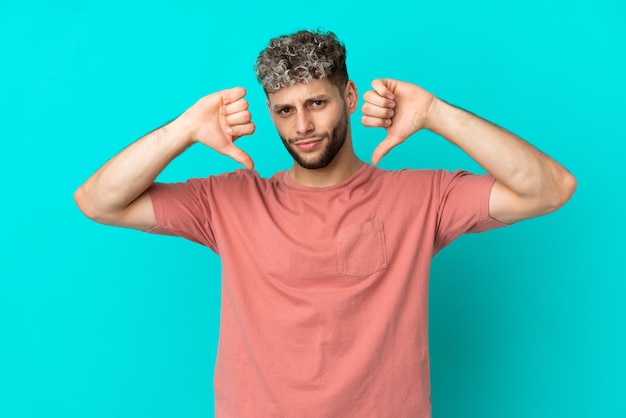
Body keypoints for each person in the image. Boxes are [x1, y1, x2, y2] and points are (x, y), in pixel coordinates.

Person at [75, 30, 576, 417]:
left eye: (317, 102)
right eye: (285, 111)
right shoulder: (228, 201)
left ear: (350, 96)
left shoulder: (422, 195)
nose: (303, 127)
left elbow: (550, 188)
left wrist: (434, 113)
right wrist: (184, 130)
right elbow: (99, 202)